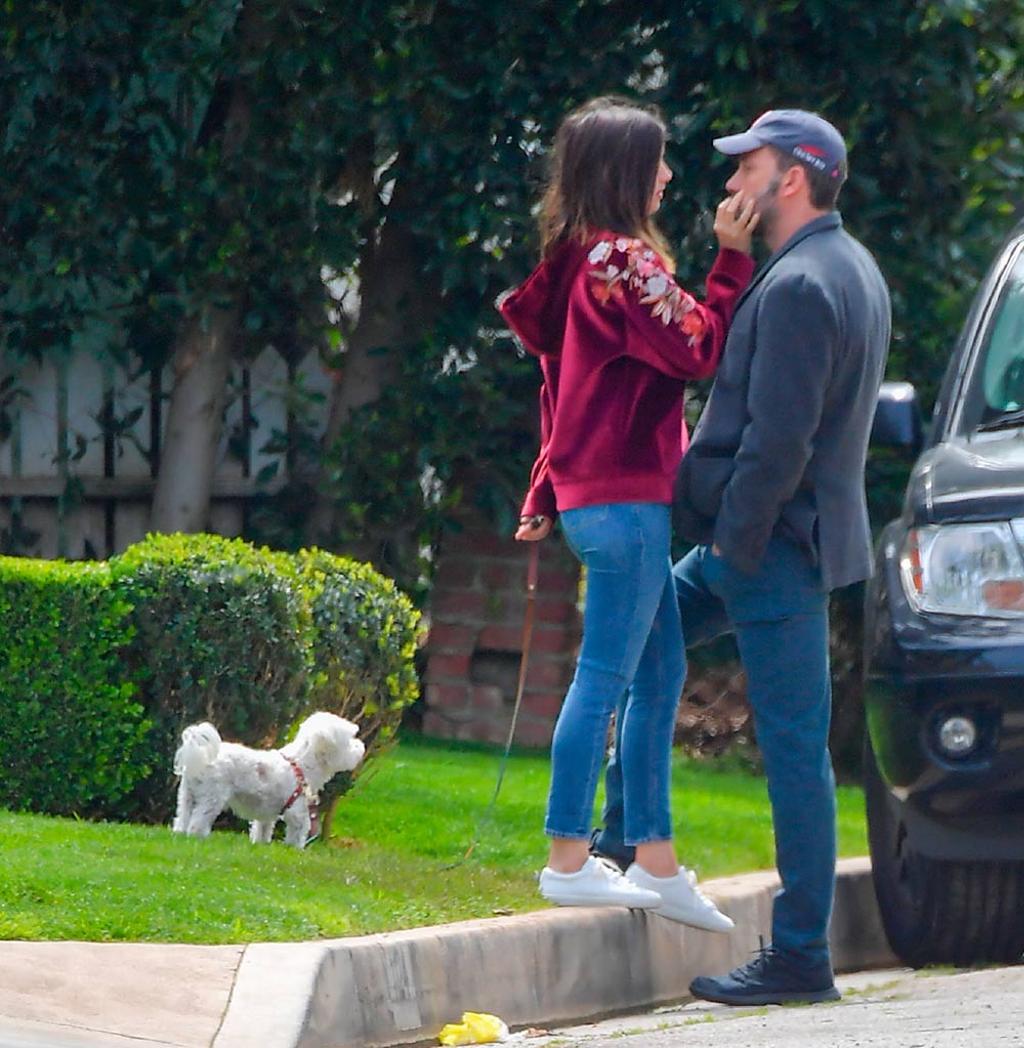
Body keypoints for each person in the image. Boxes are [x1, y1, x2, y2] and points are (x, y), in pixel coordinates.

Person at [591, 109, 892, 1003]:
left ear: (790, 177)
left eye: (748, 165)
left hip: (767, 545)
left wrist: (731, 539)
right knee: (649, 635)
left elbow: (779, 442)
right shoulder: (845, 267)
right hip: (774, 541)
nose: (732, 181)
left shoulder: (803, 283)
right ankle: (620, 837)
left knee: (797, 749)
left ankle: (800, 955)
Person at [498, 96, 758, 931]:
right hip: (626, 503)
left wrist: (544, 491)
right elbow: (699, 345)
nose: (671, 176)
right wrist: (730, 258)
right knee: (608, 679)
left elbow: (559, 395)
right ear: (624, 175)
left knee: (657, 677)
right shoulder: (622, 262)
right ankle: (569, 859)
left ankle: (656, 861)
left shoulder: (579, 260)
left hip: (597, 499)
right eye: (659, 163)